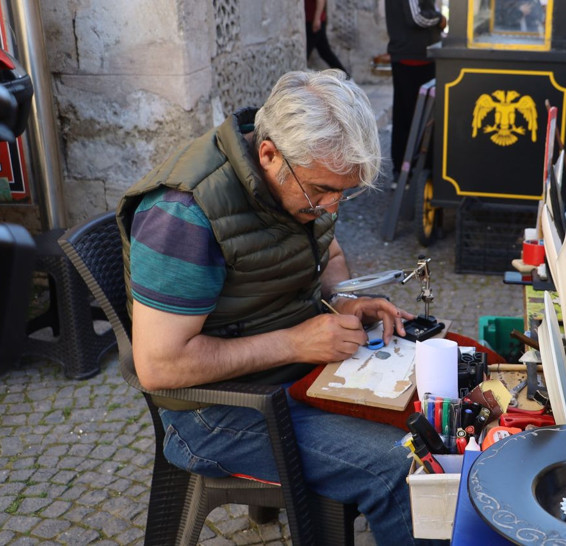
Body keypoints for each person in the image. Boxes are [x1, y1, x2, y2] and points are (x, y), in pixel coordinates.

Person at [115, 70, 428, 545]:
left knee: (440, 405)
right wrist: (295, 341)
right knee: (402, 466)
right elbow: (159, 365)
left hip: (292, 376)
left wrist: (345, 301)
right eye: (322, 191)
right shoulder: (183, 214)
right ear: (268, 154)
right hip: (215, 413)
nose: (332, 208)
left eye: (345, 193)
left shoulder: (301, 181)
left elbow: (332, 256)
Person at [385, 0, 446, 177]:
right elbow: (416, 18)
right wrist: (439, 18)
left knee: (415, 115)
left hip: (418, 55)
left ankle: (415, 167)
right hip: (412, 56)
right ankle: (405, 169)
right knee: (410, 115)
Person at [305, 0, 348, 75]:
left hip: (314, 22)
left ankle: (345, 76)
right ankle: (345, 76)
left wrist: (317, 19)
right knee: (325, 52)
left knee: (307, 52)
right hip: (310, 20)